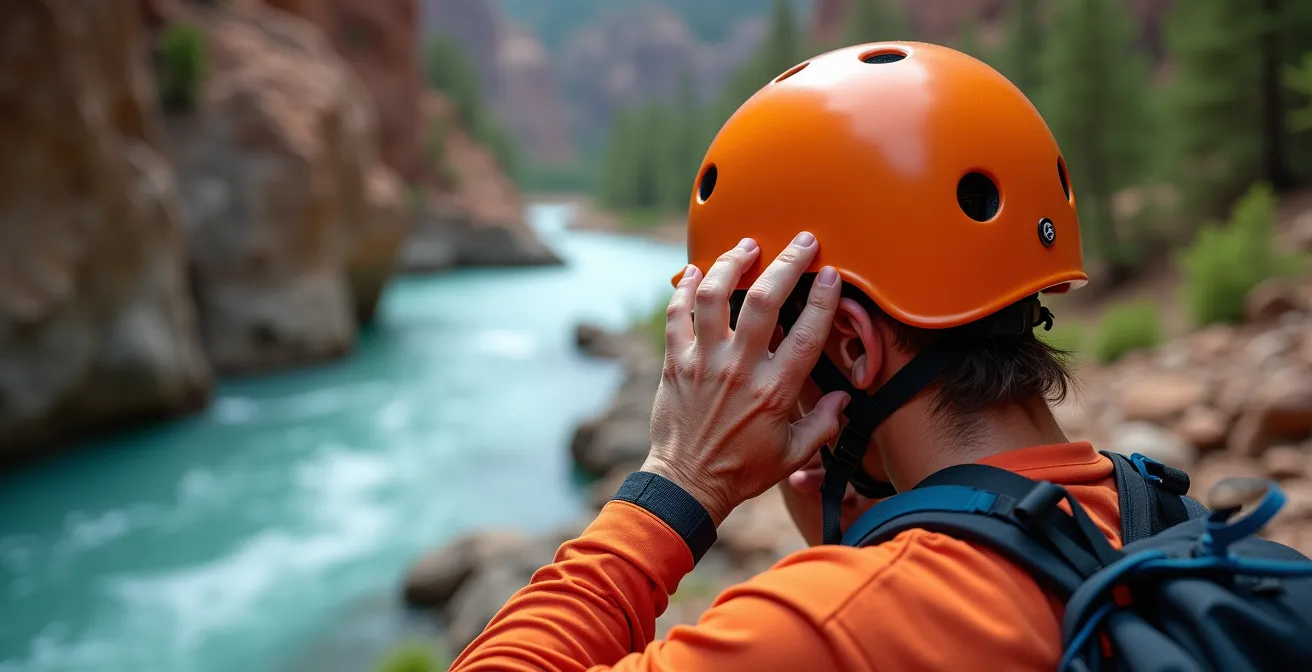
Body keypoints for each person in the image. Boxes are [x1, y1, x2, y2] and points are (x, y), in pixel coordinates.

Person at [450, 41, 1103, 671]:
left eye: (752, 333)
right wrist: (870, 525)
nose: (753, 373)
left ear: (848, 343)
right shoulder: (1149, 510)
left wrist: (679, 479)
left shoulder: (839, 626)